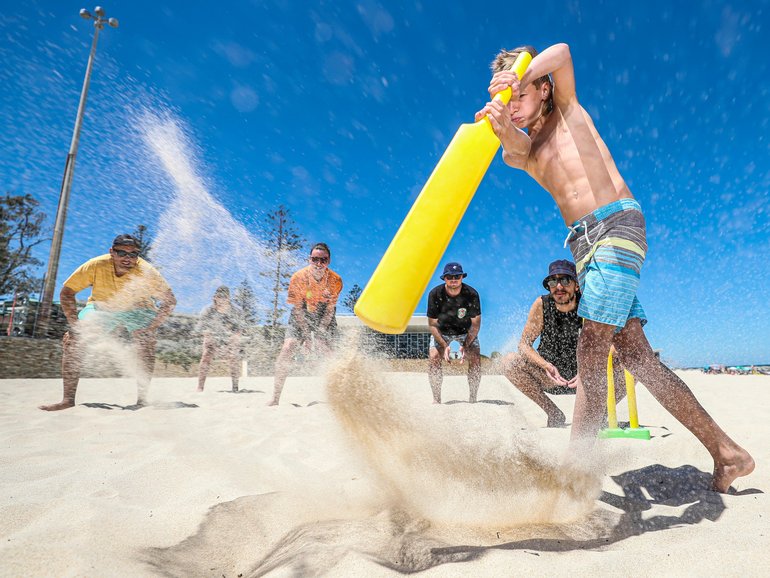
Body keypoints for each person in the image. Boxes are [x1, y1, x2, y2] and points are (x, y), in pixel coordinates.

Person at [475, 43, 753, 491]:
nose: (516, 106)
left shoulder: (566, 108)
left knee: (592, 347)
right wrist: (502, 117)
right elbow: (511, 151)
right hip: (584, 248)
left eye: (522, 95)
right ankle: (727, 453)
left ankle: (575, 472)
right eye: (511, 100)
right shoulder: (525, 149)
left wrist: (521, 73)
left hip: (615, 224)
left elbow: (562, 52)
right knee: (637, 357)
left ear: (542, 89)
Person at [39, 234, 176, 411]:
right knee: (73, 340)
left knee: (146, 342)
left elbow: (170, 301)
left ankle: (142, 400)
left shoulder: (147, 272)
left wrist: (151, 328)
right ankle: (67, 400)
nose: (128, 258)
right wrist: (75, 324)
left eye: (133, 254)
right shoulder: (96, 265)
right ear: (112, 252)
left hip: (139, 308)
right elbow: (67, 292)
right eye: (122, 253)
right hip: (103, 307)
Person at [503, 259, 582, 426]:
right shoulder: (542, 304)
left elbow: (608, 344)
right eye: (554, 281)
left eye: (565, 280)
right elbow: (523, 345)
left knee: (632, 363)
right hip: (549, 376)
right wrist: (546, 366)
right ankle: (553, 412)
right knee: (509, 362)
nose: (559, 287)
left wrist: (588, 371)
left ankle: (598, 414)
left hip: (585, 379)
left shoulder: (588, 304)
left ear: (576, 285)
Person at [267, 243, 342, 406]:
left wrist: (320, 334)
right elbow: (298, 310)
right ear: (309, 260)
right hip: (302, 311)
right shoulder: (298, 278)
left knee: (329, 352)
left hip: (324, 313)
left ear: (329, 261)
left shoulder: (336, 280)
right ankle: (275, 398)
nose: (319, 264)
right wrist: (307, 337)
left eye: (323, 260)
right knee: (287, 348)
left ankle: (340, 396)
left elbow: (330, 311)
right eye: (315, 259)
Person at [426, 262, 482, 404]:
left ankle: (473, 398)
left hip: (465, 331)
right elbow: (432, 325)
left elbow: (475, 325)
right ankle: (436, 399)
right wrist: (445, 346)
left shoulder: (471, 294)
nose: (453, 279)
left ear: (462, 277)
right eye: (449, 276)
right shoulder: (435, 294)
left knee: (475, 356)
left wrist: (466, 344)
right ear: (444, 278)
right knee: (433, 357)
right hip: (442, 331)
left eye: (457, 276)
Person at [196, 286, 242, 393]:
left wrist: (233, 340)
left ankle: (235, 387)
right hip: (212, 338)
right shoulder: (208, 310)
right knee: (206, 355)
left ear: (229, 298)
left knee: (233, 356)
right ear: (215, 297)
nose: (222, 299)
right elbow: (202, 328)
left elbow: (239, 330)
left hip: (229, 338)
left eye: (225, 297)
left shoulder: (236, 311)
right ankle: (200, 387)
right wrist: (209, 338)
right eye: (219, 297)